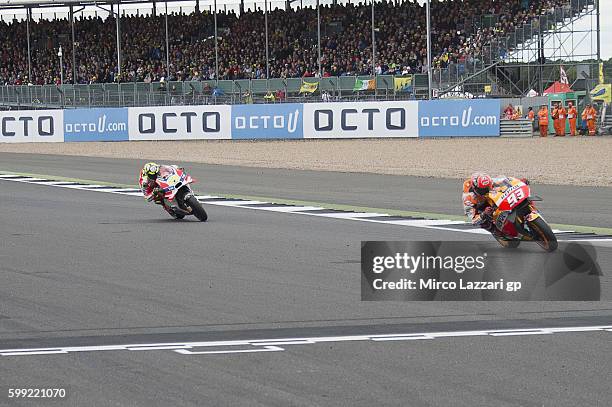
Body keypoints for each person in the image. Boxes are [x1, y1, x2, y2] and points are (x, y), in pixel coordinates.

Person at [462, 173, 529, 237]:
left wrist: (520, 182)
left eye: (488, 187)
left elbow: (506, 181)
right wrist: (484, 214)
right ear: (475, 189)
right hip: (481, 205)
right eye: (484, 190)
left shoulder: (489, 182)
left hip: (491, 197)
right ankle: (496, 231)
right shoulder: (468, 198)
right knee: (483, 222)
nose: (487, 190)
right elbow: (473, 221)